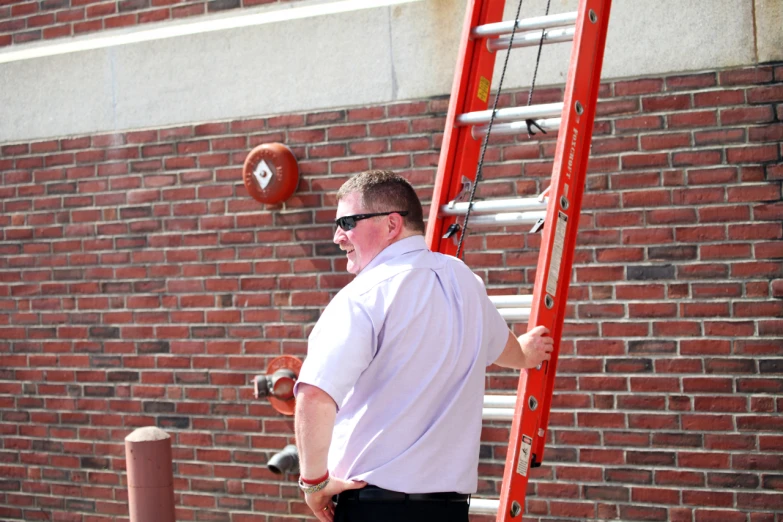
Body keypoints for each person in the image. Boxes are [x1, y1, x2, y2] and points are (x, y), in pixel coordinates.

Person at [293, 170, 554, 522]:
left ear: (391, 224)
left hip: (374, 509)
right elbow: (504, 348)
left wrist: (313, 484)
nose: (338, 236)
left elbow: (314, 395)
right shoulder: (465, 280)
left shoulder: (363, 296)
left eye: (348, 222)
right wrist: (526, 353)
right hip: (449, 511)